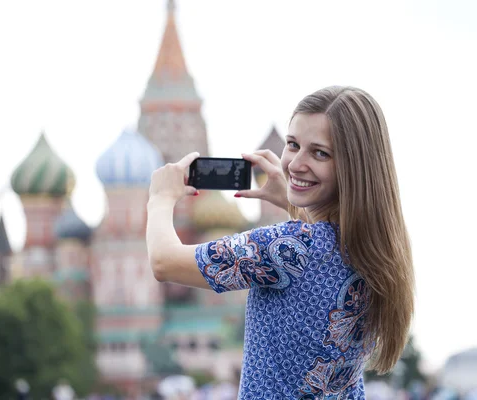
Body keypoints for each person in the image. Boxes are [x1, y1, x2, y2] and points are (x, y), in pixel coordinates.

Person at [146, 86, 415, 399]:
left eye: (320, 153)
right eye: (293, 145)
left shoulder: (289, 247)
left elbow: (163, 262)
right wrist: (297, 205)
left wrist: (160, 197)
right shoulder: (376, 250)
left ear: (353, 167)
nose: (294, 164)